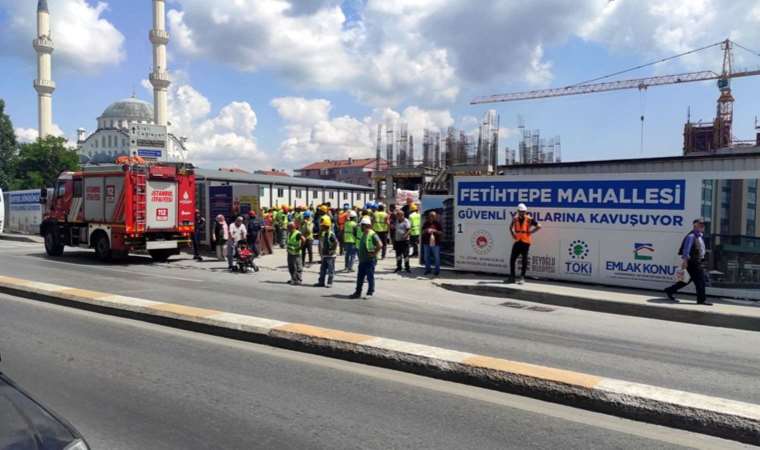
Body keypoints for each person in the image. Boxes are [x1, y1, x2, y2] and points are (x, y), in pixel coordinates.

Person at [665, 218, 710, 305]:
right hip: (693, 262)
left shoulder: (699, 236)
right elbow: (686, 250)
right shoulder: (691, 236)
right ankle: (701, 300)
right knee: (700, 281)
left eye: (703, 225)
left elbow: (700, 249)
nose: (703, 226)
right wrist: (685, 261)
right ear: (695, 225)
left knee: (685, 280)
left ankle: (669, 290)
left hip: (697, 261)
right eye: (700, 225)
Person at [350, 217, 384, 299]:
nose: (360, 227)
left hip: (369, 260)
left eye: (362, 225)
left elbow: (380, 244)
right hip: (363, 260)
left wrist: (374, 254)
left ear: (366, 226)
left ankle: (370, 292)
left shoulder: (372, 234)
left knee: (370, 277)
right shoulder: (364, 234)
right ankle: (358, 292)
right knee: (360, 277)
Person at [508, 203, 541, 284]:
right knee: (512, 259)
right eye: (520, 211)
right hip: (517, 241)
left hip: (525, 242)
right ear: (518, 211)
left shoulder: (529, 219)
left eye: (523, 211)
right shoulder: (515, 219)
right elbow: (510, 227)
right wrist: (513, 234)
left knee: (524, 260)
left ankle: (522, 278)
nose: (522, 212)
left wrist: (531, 232)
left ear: (525, 211)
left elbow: (539, 226)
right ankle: (512, 277)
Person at [315, 215, 338, 288]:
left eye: (322, 226)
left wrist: (333, 250)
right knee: (322, 269)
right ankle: (321, 282)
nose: (321, 227)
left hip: (330, 256)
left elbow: (335, 242)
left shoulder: (331, 234)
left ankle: (329, 282)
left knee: (330, 270)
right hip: (325, 255)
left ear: (326, 226)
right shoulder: (324, 233)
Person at [422, 211, 443, 276]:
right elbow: (422, 231)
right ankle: (428, 269)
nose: (432, 217)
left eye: (433, 216)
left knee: (436, 257)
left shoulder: (438, 223)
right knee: (426, 257)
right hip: (426, 242)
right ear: (429, 216)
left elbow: (441, 232)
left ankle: (437, 270)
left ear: (435, 216)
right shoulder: (426, 223)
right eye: (431, 216)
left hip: (436, 243)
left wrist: (435, 231)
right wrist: (426, 230)